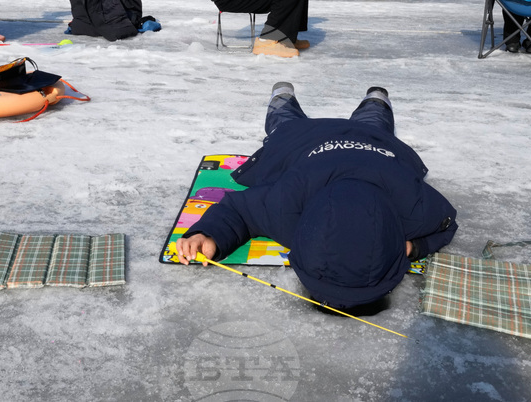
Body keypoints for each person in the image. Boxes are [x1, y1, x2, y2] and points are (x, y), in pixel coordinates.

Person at [176, 83, 458, 312]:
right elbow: (239, 210)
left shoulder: (413, 210)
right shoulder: (288, 202)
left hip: (361, 140)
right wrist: (211, 234)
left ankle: (372, 100)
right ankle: (288, 97)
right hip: (305, 141)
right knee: (286, 124)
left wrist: (415, 246)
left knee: (366, 124)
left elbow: (448, 223)